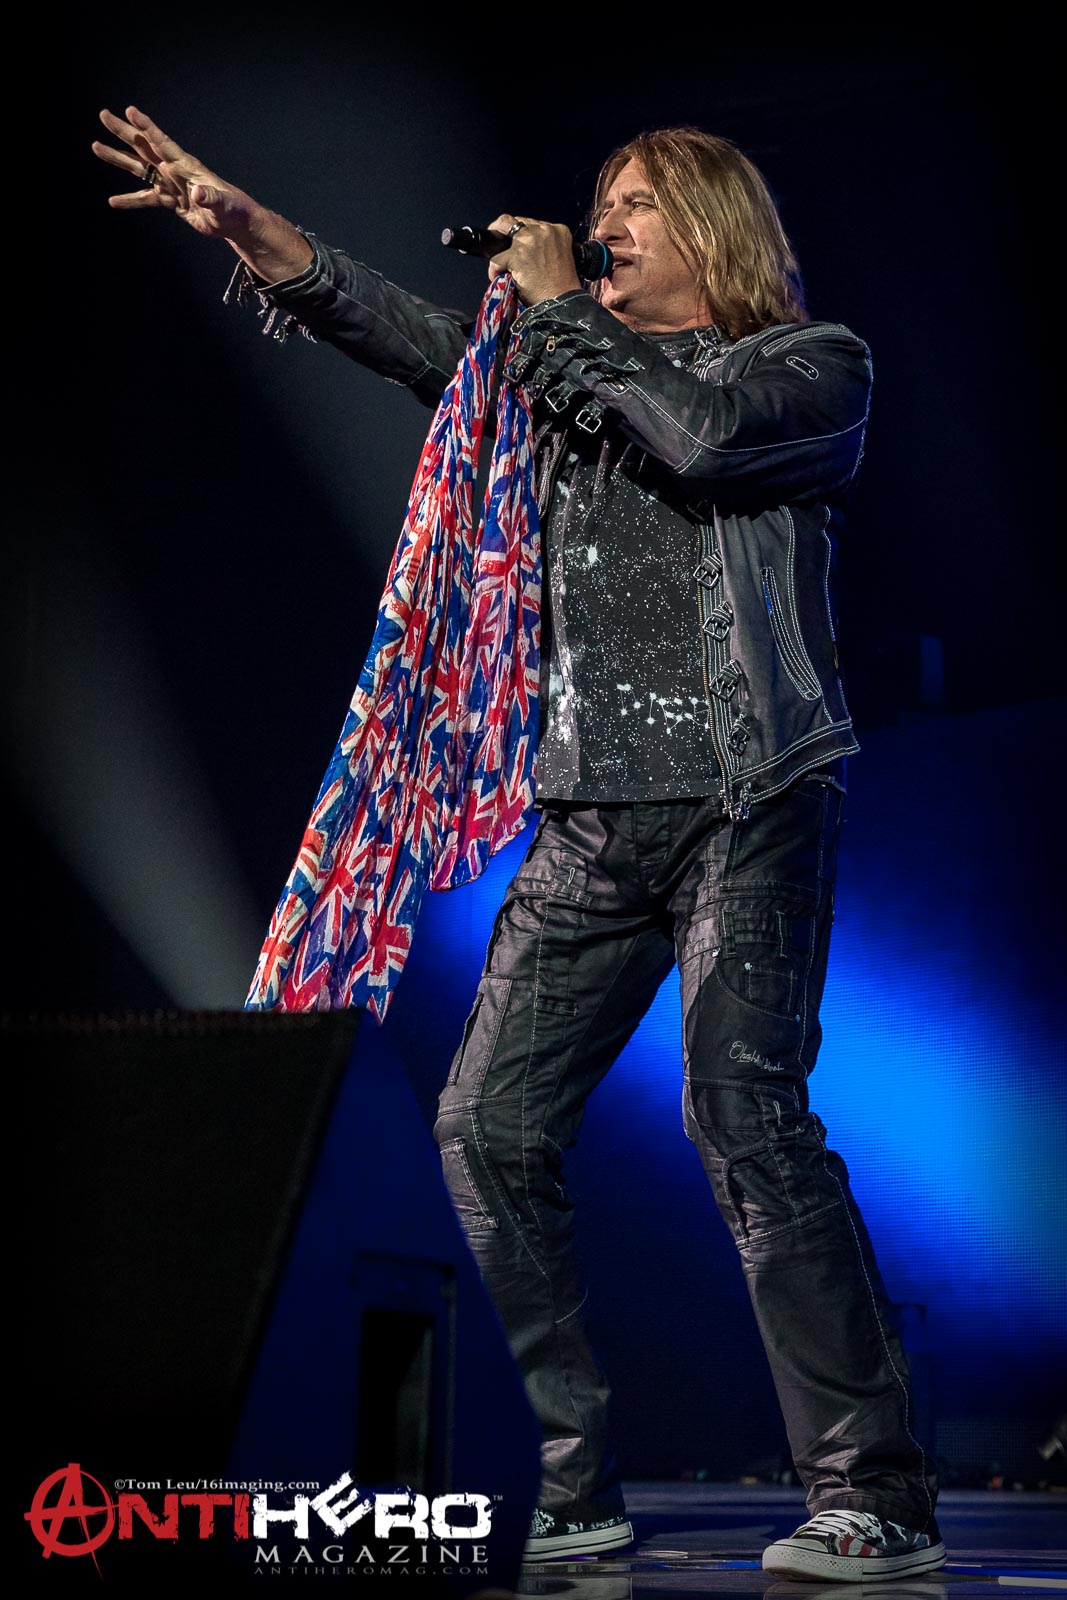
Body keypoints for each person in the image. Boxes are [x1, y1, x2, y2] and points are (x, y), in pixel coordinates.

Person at [92, 106, 945, 1583]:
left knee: (744, 1118)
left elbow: (703, 441)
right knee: (482, 1131)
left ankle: (872, 1490)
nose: (602, 222)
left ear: (713, 228)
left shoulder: (810, 366)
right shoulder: (550, 374)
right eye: (597, 200)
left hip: (750, 798)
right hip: (589, 818)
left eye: (638, 202)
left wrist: (559, 310)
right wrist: (251, 228)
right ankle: (558, 1478)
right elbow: (407, 333)